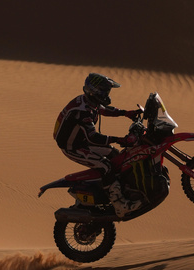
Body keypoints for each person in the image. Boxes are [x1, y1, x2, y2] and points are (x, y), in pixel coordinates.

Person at [53, 72, 143, 217]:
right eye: (106, 91)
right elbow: (93, 137)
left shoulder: (87, 101)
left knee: (115, 155)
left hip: (82, 142)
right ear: (96, 91)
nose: (108, 95)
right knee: (105, 166)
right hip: (74, 148)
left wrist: (125, 113)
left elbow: (102, 109)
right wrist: (119, 139)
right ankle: (119, 204)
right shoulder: (83, 112)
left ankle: (120, 189)